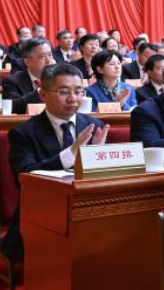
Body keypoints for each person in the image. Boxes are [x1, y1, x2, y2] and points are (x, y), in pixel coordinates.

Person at [6, 63, 108, 259]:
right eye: (63, 92)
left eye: (79, 91)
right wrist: (71, 154)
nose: (73, 99)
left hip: (88, 214)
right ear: (43, 94)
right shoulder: (23, 133)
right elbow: (24, 177)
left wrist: (96, 158)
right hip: (39, 217)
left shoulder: (95, 126)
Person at [2, 38, 55, 114]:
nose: (49, 60)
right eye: (42, 56)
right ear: (27, 61)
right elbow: (11, 107)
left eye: (50, 55)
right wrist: (39, 92)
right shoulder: (12, 81)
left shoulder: (60, 79)